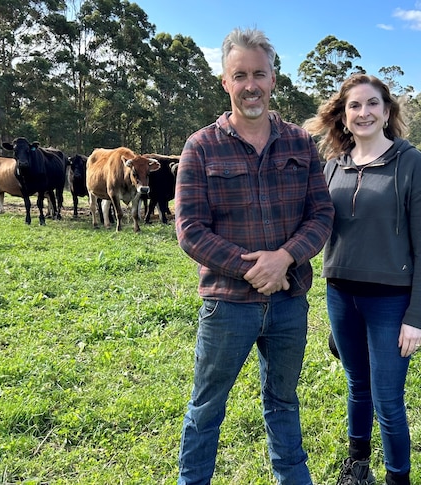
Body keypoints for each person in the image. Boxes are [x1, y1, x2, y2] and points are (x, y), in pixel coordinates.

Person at [174, 27, 335, 485]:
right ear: (225, 82)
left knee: (284, 402)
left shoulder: (300, 143)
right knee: (207, 405)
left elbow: (321, 213)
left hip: (288, 303)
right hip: (227, 305)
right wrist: (255, 267)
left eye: (258, 74)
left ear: (273, 80)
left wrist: (285, 258)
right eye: (239, 74)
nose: (250, 85)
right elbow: (189, 230)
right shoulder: (201, 147)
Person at [304, 74, 421, 485]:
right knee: (356, 386)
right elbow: (315, 226)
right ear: (343, 116)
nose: (363, 112)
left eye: (372, 104)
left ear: (386, 112)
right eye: (354, 106)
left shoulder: (410, 162)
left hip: (391, 301)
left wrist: (417, 318)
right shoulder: (332, 167)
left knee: (388, 400)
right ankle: (357, 464)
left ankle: (398, 478)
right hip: (341, 295)